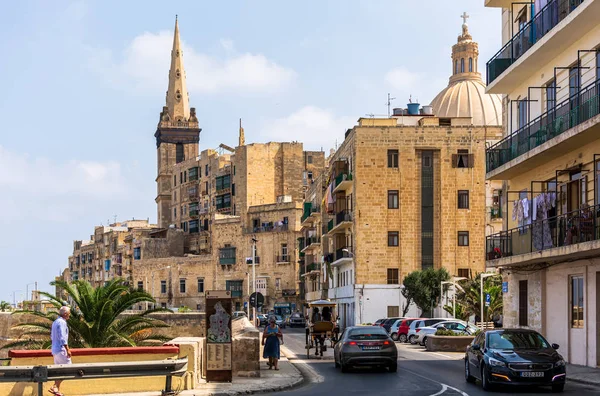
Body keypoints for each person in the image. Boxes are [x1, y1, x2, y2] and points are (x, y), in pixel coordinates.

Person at [50, 306, 71, 396]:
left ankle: (56, 391)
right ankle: (55, 386)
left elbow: (52, 336)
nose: (70, 315)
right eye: (69, 313)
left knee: (59, 371)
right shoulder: (62, 322)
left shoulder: (55, 322)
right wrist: (68, 349)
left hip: (55, 350)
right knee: (69, 369)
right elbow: (62, 337)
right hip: (61, 349)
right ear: (65, 314)